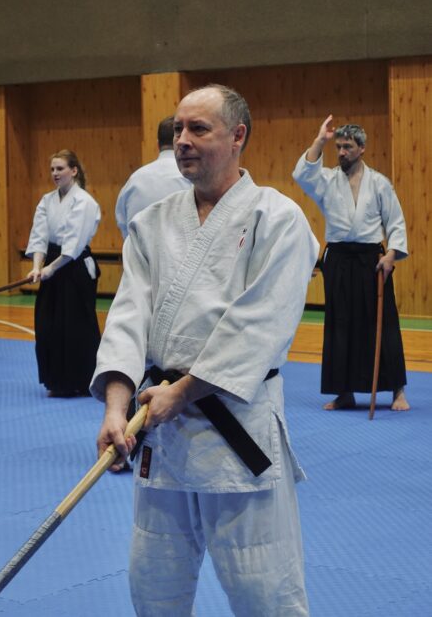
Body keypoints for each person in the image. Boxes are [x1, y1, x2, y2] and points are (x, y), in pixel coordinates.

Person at [91, 84, 319, 616]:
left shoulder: (277, 219)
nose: (183, 140)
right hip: (161, 435)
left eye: (198, 129)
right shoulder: (152, 222)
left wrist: (184, 392)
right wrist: (116, 407)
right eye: (178, 129)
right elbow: (128, 317)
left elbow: (258, 327)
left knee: (264, 590)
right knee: (154, 587)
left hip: (236, 431)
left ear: (238, 136)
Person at [293, 115, 410, 412]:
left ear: (362, 148)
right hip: (339, 259)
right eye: (339, 147)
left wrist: (391, 255)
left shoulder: (380, 183)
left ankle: (397, 391)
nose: (342, 152)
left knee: (383, 324)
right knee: (339, 325)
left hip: (372, 260)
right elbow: (302, 174)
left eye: (347, 147)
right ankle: (344, 392)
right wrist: (320, 140)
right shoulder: (327, 180)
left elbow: (395, 222)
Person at [26, 149, 101, 397]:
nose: (55, 173)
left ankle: (83, 380)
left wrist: (51, 268)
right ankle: (57, 381)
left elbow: (74, 244)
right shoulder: (47, 200)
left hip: (75, 268)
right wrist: (37, 266)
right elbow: (39, 236)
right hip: (52, 264)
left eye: (60, 168)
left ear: (74, 171)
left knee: (75, 326)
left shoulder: (84, 202)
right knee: (47, 323)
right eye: (52, 169)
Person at [115, 115, 191, 239]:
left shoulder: (134, 180)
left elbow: (124, 226)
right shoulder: (192, 177)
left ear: (157, 145)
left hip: (138, 249)